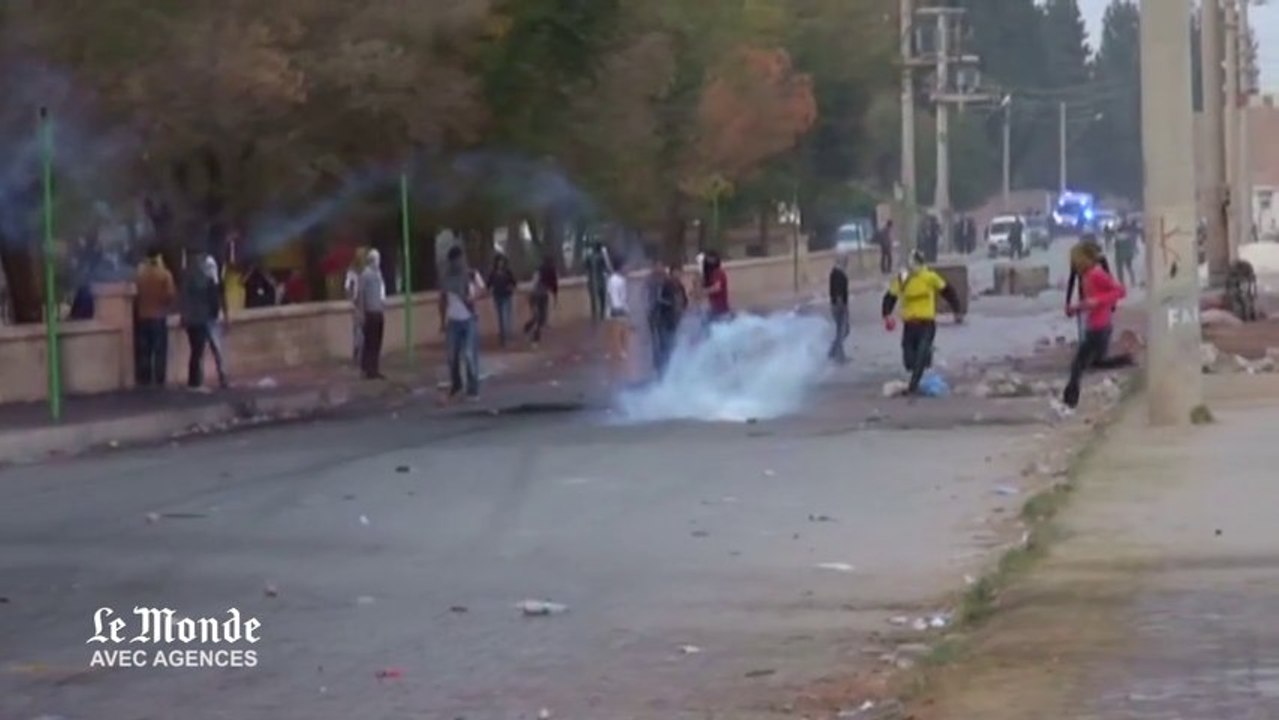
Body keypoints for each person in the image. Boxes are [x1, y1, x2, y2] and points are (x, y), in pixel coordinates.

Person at [881, 250, 964, 396]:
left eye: (914, 263)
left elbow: (947, 291)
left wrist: (957, 310)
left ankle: (913, 386)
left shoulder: (929, 277)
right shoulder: (902, 279)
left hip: (926, 324)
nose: (912, 267)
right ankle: (924, 362)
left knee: (920, 356)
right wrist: (886, 314)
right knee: (908, 360)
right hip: (909, 325)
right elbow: (890, 297)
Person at [1063, 242, 1127, 409]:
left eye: (1075, 260)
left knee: (1079, 364)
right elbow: (1089, 302)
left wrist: (1098, 301)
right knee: (1091, 363)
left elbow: (1120, 291)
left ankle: (1069, 400)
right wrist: (1075, 308)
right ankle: (1127, 360)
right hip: (1093, 325)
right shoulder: (1086, 275)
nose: (1073, 264)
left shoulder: (1097, 274)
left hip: (1101, 326)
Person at [439, 245, 484, 399]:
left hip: (469, 319)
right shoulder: (447, 278)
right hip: (453, 320)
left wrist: (473, 297)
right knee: (452, 356)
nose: (458, 263)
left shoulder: (471, 274)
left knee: (469, 354)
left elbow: (482, 289)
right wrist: (442, 321)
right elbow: (443, 299)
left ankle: (473, 387)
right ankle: (456, 384)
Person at [179, 252, 228, 391]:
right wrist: (218, 314)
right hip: (206, 318)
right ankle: (221, 378)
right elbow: (215, 300)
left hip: (192, 319)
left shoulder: (188, 279)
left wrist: (184, 316)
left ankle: (194, 381)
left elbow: (184, 299)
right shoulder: (210, 281)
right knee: (215, 350)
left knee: (196, 351)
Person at [135, 246, 176, 387]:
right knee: (159, 350)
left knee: (144, 350)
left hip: (142, 315)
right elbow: (170, 295)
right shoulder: (165, 274)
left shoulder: (140, 275)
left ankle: (144, 378)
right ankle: (159, 379)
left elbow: (136, 293)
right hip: (159, 316)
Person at [1065, 235, 1113, 343]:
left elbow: (1071, 281)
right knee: (1094, 330)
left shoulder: (1099, 260)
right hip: (1093, 300)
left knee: (1091, 330)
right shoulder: (1097, 260)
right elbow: (1072, 281)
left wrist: (1067, 302)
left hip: (1095, 300)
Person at [356, 249, 387, 379]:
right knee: (370, 342)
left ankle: (374, 367)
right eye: (376, 259)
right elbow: (361, 295)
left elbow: (381, 292)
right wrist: (361, 313)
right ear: (371, 260)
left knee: (377, 342)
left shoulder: (378, 274)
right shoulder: (365, 274)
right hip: (370, 312)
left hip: (379, 311)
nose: (378, 262)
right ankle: (368, 369)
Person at [606, 258, 631, 381]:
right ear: (621, 267)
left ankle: (622, 355)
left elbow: (623, 297)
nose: (628, 269)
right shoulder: (614, 281)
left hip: (622, 311)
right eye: (626, 266)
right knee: (617, 335)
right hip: (617, 312)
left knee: (624, 335)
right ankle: (617, 359)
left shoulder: (621, 280)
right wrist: (618, 309)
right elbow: (614, 297)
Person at [524, 255, 556, 346]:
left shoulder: (549, 271)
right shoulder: (540, 271)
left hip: (542, 296)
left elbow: (552, 285)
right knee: (537, 317)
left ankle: (529, 330)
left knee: (541, 318)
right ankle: (535, 339)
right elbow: (534, 283)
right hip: (536, 296)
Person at [487, 254, 517, 348]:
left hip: (507, 296)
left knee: (506, 317)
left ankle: (506, 336)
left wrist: (511, 287)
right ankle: (504, 337)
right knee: (502, 317)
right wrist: (489, 290)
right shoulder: (493, 273)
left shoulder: (507, 271)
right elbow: (488, 284)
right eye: (499, 261)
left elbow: (513, 282)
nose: (500, 263)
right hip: (498, 296)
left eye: (502, 261)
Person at [828, 253, 851, 363]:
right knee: (842, 330)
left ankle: (833, 352)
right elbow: (838, 291)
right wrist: (841, 306)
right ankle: (839, 356)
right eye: (846, 260)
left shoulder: (837, 272)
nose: (847, 263)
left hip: (838, 305)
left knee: (843, 330)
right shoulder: (838, 274)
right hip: (839, 306)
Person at [344, 252, 364, 364]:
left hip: (361, 302)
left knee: (360, 327)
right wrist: (351, 300)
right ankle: (357, 350)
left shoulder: (362, 273)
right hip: (357, 302)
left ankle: (359, 350)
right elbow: (348, 288)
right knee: (358, 328)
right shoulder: (351, 273)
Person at [584, 242, 611, 322]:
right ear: (600, 249)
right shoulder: (601, 257)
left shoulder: (589, 256)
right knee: (602, 297)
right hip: (600, 280)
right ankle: (602, 314)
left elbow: (585, 267)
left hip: (591, 280)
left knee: (593, 298)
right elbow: (606, 268)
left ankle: (594, 314)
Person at [702, 250, 730, 322]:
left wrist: (702, 292)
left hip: (721, 311)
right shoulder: (711, 275)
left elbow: (717, 288)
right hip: (715, 310)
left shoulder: (718, 273)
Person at [1113, 216, 1138, 288]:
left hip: (1119, 255)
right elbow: (1131, 245)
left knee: (1120, 269)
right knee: (1129, 267)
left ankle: (1121, 283)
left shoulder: (1117, 238)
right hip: (1128, 254)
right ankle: (1133, 280)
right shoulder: (1128, 237)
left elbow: (1116, 247)